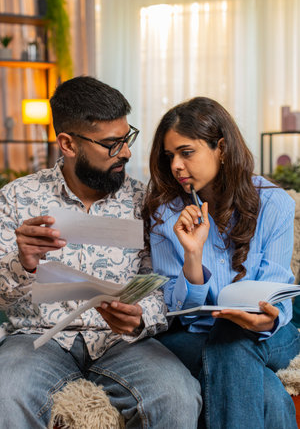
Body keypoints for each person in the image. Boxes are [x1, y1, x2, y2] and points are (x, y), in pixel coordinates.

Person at [0, 76, 201, 429]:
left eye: (127, 138)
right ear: (67, 143)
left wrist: (140, 315)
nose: (125, 152)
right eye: (112, 144)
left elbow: (162, 282)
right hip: (35, 339)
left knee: (177, 394)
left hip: (121, 342)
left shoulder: (145, 200)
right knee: (6, 392)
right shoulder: (17, 197)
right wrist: (22, 264)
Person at [143, 96, 300, 429]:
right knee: (268, 391)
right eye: (170, 156)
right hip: (194, 335)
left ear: (222, 148)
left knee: (232, 337)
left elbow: (278, 291)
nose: (175, 166)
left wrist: (263, 320)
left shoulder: (274, 204)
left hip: (271, 334)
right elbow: (176, 309)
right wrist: (193, 255)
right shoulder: (165, 213)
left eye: (186, 153)